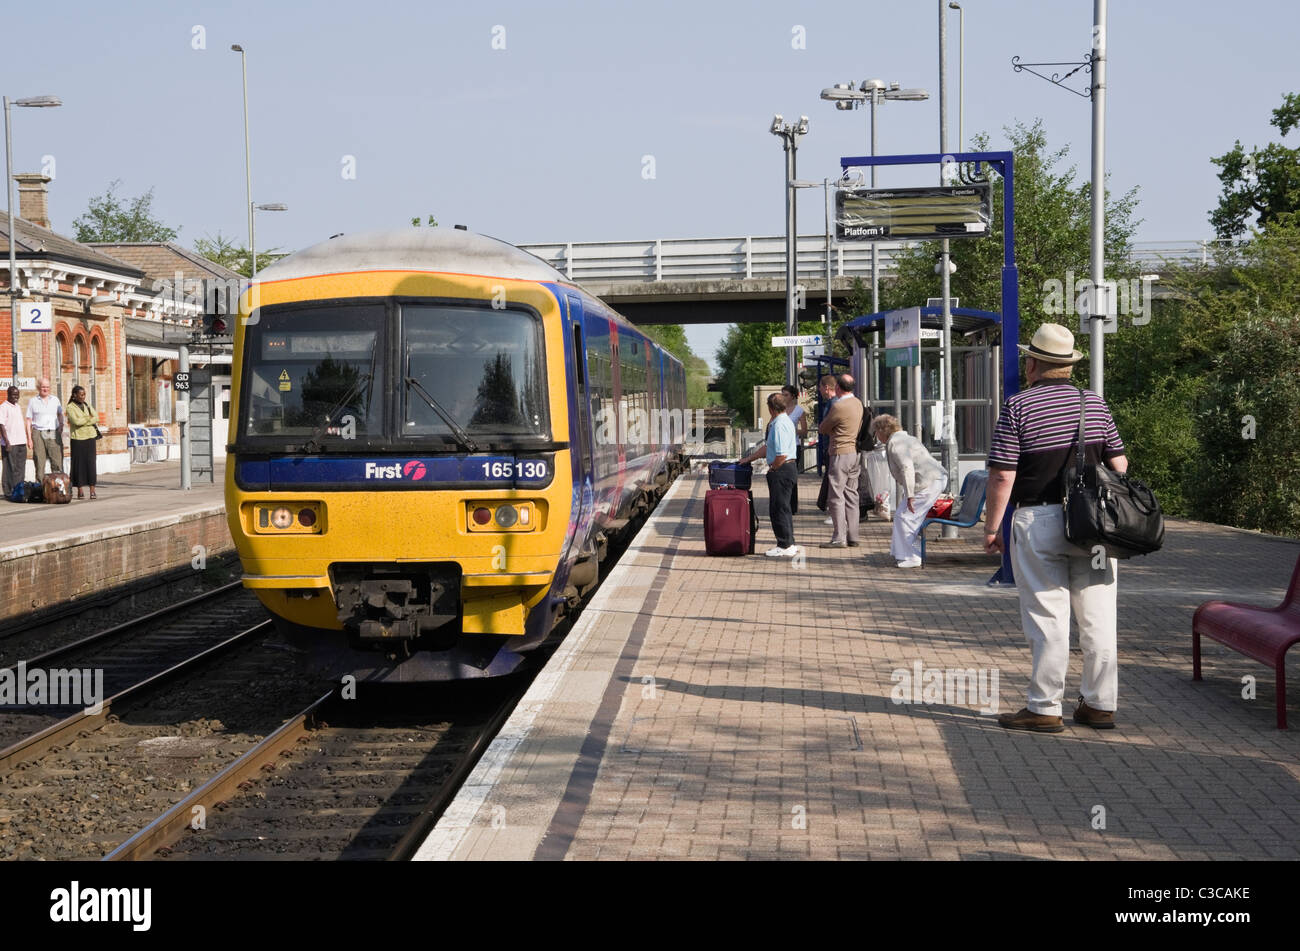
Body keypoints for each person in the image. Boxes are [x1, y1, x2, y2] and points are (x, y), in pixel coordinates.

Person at [982, 323, 1128, 733]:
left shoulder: (1018, 407)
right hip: (1094, 525)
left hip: (1040, 519)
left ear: (1033, 364)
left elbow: (1001, 476)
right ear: (1067, 366)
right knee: (1098, 619)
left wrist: (993, 527)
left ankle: (1045, 708)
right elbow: (1119, 466)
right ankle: (1100, 705)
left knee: (1048, 617)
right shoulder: (1094, 405)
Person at [871, 413, 947, 568]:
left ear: (882, 431)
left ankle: (912, 556)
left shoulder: (896, 443)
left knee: (905, 517)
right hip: (932, 480)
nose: (876, 435)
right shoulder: (904, 438)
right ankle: (906, 552)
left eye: (876, 432)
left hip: (928, 482)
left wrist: (910, 495)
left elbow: (907, 467)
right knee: (903, 515)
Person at [817, 374, 863, 548]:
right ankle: (853, 535)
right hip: (854, 453)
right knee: (852, 494)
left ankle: (839, 538)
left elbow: (823, 428)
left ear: (838, 388)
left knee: (835, 495)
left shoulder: (838, 406)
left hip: (840, 453)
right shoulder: (858, 403)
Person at [754, 392, 799, 557]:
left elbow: (781, 454)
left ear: (770, 408)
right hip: (789, 468)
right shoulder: (786, 421)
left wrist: (773, 468)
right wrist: (749, 458)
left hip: (781, 469)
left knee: (778, 509)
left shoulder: (778, 425)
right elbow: (769, 448)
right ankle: (790, 542)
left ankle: (784, 544)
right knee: (784, 508)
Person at [65, 385, 99, 500]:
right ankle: (80, 490)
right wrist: (88, 419)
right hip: (78, 439)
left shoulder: (87, 405)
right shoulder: (70, 407)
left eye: (84, 394)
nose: (83, 397)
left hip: (90, 437)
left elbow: (96, 417)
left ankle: (92, 490)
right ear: (75, 395)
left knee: (91, 464)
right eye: (81, 394)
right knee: (78, 465)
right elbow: (76, 421)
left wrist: (86, 420)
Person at [26, 377, 64, 478]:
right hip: (38, 432)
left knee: (56, 460)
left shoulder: (55, 400)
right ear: (38, 388)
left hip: (53, 431)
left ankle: (57, 487)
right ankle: (40, 487)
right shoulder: (33, 401)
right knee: (39, 461)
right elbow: (28, 420)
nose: (45, 389)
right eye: (43, 387)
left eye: (47, 387)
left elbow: (60, 414)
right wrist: (29, 439)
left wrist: (61, 425)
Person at [1, 385, 31, 499]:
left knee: (20, 468)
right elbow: (1, 425)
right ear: (8, 395)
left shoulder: (17, 406)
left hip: (21, 442)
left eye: (17, 395)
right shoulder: (3, 407)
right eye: (13, 395)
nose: (15, 397)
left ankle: (18, 489)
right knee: (9, 468)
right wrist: (7, 442)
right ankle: (8, 491)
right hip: (10, 443)